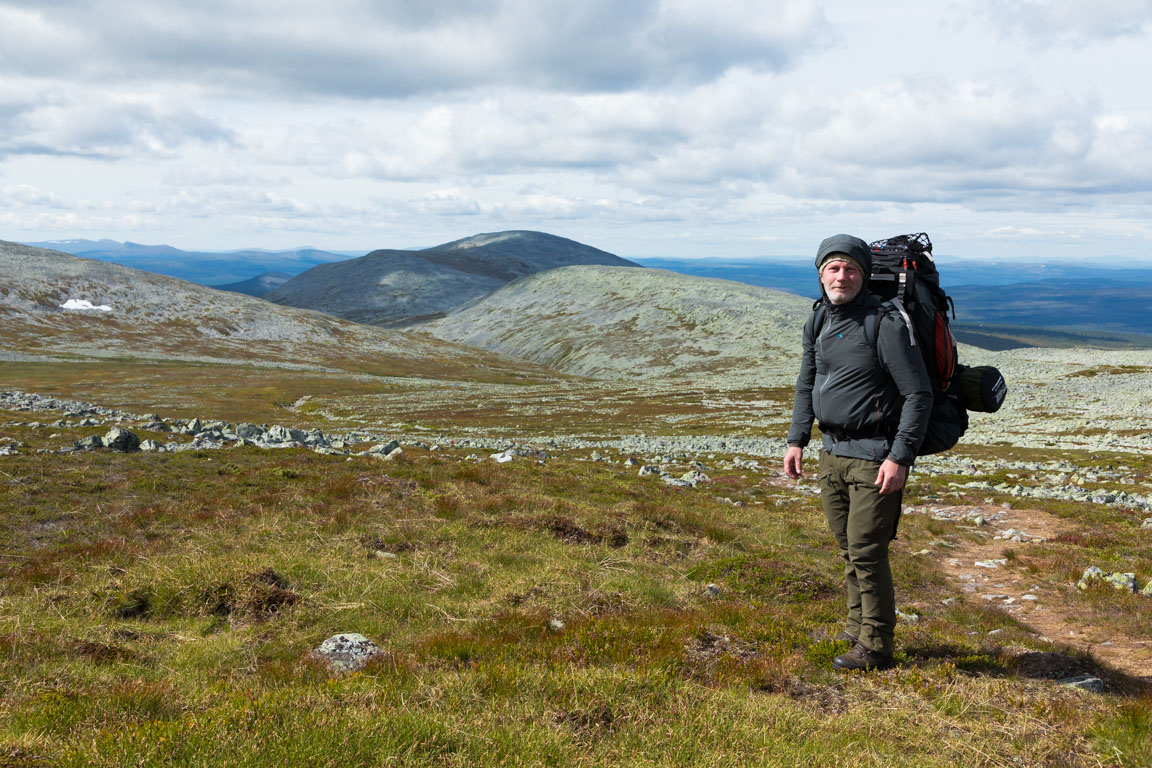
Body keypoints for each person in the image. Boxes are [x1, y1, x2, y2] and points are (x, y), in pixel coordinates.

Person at [783, 234, 931, 671]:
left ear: (864, 275)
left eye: (850, 268)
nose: (841, 276)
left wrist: (900, 457)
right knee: (849, 549)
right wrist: (797, 440)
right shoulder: (818, 320)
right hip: (832, 453)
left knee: (867, 551)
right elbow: (807, 382)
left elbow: (918, 394)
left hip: (874, 456)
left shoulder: (883, 322)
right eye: (833, 268)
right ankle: (855, 629)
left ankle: (877, 645)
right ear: (820, 273)